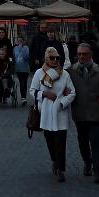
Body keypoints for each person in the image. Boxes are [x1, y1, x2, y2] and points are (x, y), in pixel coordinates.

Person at [68, 41, 99, 184]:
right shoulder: (71, 71)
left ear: (91, 54)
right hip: (79, 112)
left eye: (85, 54)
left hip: (96, 112)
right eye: (79, 54)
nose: (81, 56)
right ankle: (87, 163)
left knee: (95, 141)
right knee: (82, 141)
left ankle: (98, 170)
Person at [29, 46, 76, 182]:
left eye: (57, 58)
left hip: (60, 112)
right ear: (46, 59)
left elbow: (72, 92)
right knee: (50, 141)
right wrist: (43, 93)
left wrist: (63, 102)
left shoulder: (65, 74)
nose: (55, 60)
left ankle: (61, 169)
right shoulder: (39, 73)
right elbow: (32, 90)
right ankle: (54, 160)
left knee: (61, 142)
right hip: (46, 112)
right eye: (52, 58)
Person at [13, 35, 31, 104]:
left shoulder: (26, 48)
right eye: (18, 41)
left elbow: (26, 57)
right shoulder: (15, 48)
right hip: (18, 68)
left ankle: (24, 97)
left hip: (25, 68)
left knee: (25, 83)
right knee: (21, 82)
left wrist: (21, 49)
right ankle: (23, 98)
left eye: (21, 41)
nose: (19, 42)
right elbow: (14, 57)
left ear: (24, 41)